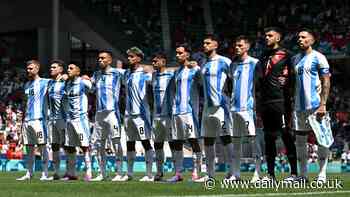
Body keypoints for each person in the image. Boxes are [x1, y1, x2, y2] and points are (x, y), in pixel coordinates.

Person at [255, 27, 298, 182]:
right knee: (268, 138)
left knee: (286, 135)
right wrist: (258, 103)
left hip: (281, 101)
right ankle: (271, 175)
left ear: (278, 38)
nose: (266, 37)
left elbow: (294, 76)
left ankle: (294, 174)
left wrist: (287, 83)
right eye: (265, 35)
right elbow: (258, 81)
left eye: (270, 35)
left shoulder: (287, 55)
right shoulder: (262, 56)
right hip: (266, 103)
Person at [291, 28, 331, 183]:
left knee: (322, 140)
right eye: (298, 37)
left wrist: (323, 104)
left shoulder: (319, 57)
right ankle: (303, 175)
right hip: (299, 108)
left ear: (312, 40)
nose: (300, 39)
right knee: (300, 142)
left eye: (303, 37)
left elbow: (326, 81)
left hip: (316, 106)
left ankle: (322, 174)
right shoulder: (295, 59)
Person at [195, 34, 234, 182]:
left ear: (216, 45)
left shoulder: (225, 61)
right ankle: (209, 175)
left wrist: (229, 98)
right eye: (204, 43)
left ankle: (232, 172)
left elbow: (234, 79)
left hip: (221, 107)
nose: (205, 45)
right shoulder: (204, 64)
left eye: (208, 43)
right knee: (208, 141)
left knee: (226, 138)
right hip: (207, 107)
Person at [167, 44, 202, 182]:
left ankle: (196, 171)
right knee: (177, 142)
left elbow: (202, 81)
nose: (177, 55)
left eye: (180, 53)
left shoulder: (194, 69)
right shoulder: (177, 72)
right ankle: (178, 173)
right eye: (176, 53)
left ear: (187, 55)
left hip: (189, 111)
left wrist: (197, 66)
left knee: (193, 140)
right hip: (177, 112)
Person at [119, 47, 154, 182]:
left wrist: (150, 68)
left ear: (139, 58)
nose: (129, 59)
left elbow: (158, 75)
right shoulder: (126, 74)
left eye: (132, 57)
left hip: (141, 114)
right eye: (128, 57)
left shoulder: (145, 73)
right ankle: (129, 173)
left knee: (145, 142)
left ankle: (149, 174)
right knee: (129, 142)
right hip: (128, 114)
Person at [89, 50, 125, 181]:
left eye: (103, 58)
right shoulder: (96, 75)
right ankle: (102, 173)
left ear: (110, 60)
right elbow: (90, 87)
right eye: (99, 58)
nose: (100, 60)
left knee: (116, 142)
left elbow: (133, 75)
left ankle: (119, 172)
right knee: (99, 144)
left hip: (112, 112)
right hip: (99, 114)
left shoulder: (118, 73)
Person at [229, 36, 259, 181]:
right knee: (236, 141)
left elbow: (259, 87)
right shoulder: (233, 65)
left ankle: (258, 173)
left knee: (253, 139)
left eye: (240, 45)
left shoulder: (255, 63)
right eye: (236, 45)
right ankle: (236, 174)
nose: (237, 48)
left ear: (247, 47)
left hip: (248, 108)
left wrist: (256, 106)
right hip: (233, 109)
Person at [17, 60, 51, 181]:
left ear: (37, 68)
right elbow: (25, 103)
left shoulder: (45, 82)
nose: (28, 71)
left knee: (42, 146)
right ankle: (29, 173)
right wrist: (21, 121)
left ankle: (45, 173)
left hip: (39, 120)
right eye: (27, 68)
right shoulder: (26, 85)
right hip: (27, 120)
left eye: (31, 68)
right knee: (29, 148)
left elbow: (59, 80)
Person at [62, 63, 93, 181]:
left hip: (81, 119)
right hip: (70, 119)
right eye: (68, 68)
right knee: (70, 146)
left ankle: (89, 171)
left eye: (71, 68)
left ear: (78, 71)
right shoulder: (68, 84)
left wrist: (87, 78)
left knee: (84, 145)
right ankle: (71, 173)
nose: (68, 70)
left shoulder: (83, 82)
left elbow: (92, 86)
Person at [151, 53, 176, 181]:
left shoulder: (171, 75)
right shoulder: (153, 76)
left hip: (168, 116)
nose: (153, 63)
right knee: (157, 144)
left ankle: (177, 172)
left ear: (163, 62)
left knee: (172, 144)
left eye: (156, 61)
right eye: (152, 61)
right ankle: (159, 172)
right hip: (156, 116)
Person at [47, 59, 67, 180]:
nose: (51, 69)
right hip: (52, 119)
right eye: (51, 67)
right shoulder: (50, 83)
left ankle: (71, 171)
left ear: (60, 69)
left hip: (63, 118)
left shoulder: (66, 81)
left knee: (67, 145)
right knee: (54, 145)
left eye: (54, 67)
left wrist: (67, 77)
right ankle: (56, 173)